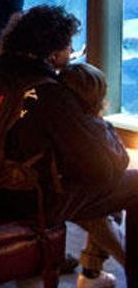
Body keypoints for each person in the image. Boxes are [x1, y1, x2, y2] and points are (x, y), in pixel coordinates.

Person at [0, 6, 136, 288]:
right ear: (53, 53)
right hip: (27, 198)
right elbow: (102, 167)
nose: (71, 52)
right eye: (68, 46)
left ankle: (92, 272)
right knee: (129, 182)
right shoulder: (50, 94)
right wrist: (98, 127)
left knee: (81, 184)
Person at [58, 62, 132, 288]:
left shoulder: (57, 121)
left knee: (109, 196)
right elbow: (120, 162)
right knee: (112, 199)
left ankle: (92, 272)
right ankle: (127, 266)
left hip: (56, 191)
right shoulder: (93, 126)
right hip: (72, 198)